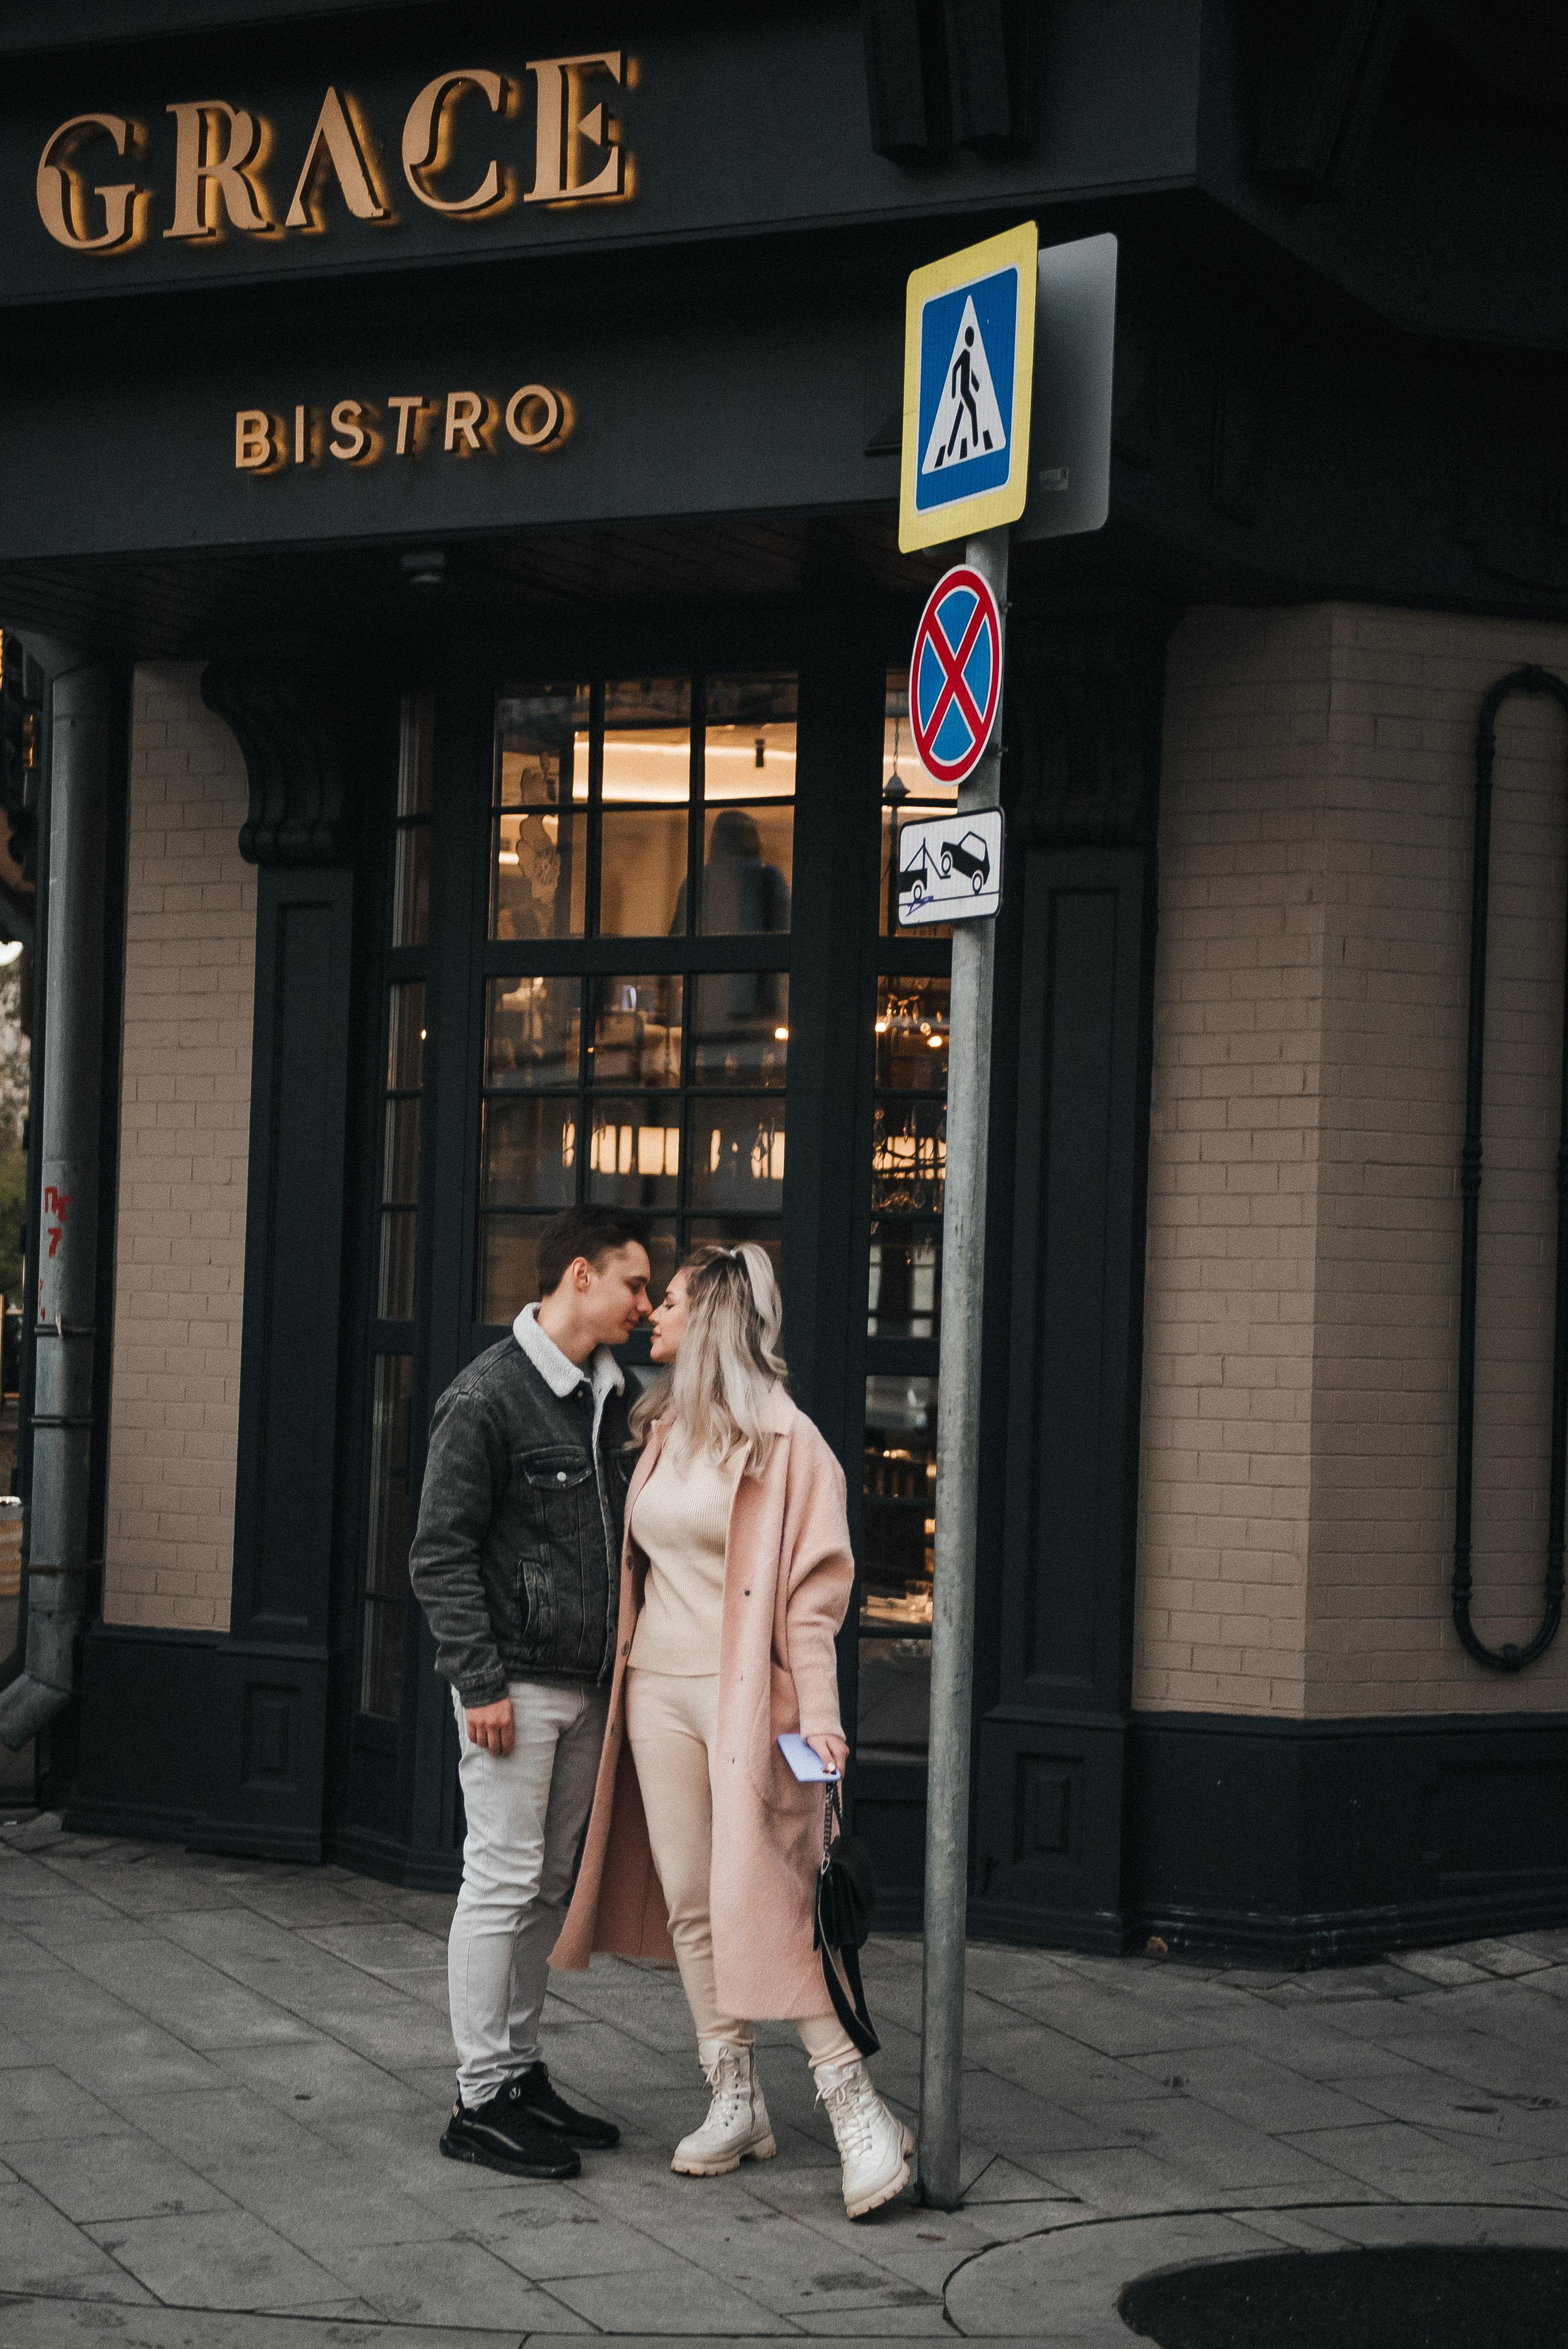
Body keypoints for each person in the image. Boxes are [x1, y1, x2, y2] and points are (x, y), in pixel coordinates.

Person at [552, 1244, 916, 2219]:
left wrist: (828, 1724)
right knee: (692, 1903)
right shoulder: (665, 1428)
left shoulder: (792, 1446)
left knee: (768, 1898)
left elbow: (812, 1604)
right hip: (657, 1694)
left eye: (667, 1302)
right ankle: (735, 2097)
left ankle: (855, 2108)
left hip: (749, 1701)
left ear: (709, 1318)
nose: (651, 1316)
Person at [409, 1203, 652, 2181]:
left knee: (548, 1885)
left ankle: (517, 2070)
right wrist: (480, 1680)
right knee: (501, 1882)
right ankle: (478, 2098)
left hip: (589, 1686)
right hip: (514, 1686)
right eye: (635, 1282)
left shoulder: (611, 1392)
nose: (645, 1300)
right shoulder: (488, 1397)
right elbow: (439, 1552)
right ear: (581, 1275)